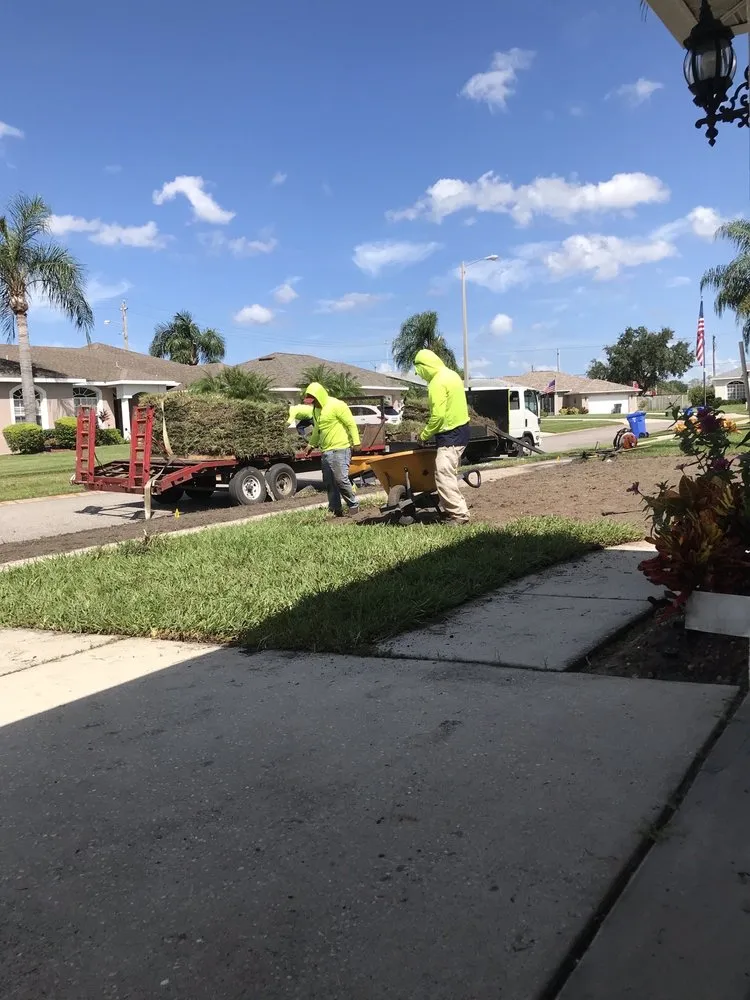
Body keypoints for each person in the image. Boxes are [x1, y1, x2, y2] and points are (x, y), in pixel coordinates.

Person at [413, 349, 471, 525]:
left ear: (425, 366)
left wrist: (424, 435)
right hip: (462, 430)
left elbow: (438, 417)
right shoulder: (452, 374)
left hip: (450, 434)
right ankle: (452, 509)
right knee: (449, 474)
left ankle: (459, 515)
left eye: (419, 370)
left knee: (443, 474)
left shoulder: (437, 382)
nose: (420, 375)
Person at [303, 382, 361, 517]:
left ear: (320, 396)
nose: (313, 404)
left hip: (341, 448)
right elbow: (317, 429)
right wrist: (311, 445)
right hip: (326, 451)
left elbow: (350, 424)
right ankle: (335, 508)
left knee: (341, 479)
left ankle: (353, 504)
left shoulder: (337, 405)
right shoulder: (316, 410)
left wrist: (356, 442)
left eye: (314, 401)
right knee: (329, 482)